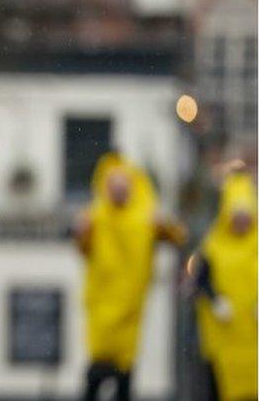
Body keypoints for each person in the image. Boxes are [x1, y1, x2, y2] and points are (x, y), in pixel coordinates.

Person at [74, 152, 185, 401]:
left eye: (123, 186)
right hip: (102, 302)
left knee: (124, 368)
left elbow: (178, 236)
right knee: (99, 365)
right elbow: (82, 247)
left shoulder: (145, 218)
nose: (119, 192)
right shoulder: (95, 217)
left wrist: (164, 224)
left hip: (131, 305)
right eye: (114, 186)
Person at [190, 171, 257, 401]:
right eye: (236, 215)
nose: (241, 221)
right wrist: (215, 300)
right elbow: (200, 280)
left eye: (245, 214)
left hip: (255, 338)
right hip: (223, 338)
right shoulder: (213, 245)